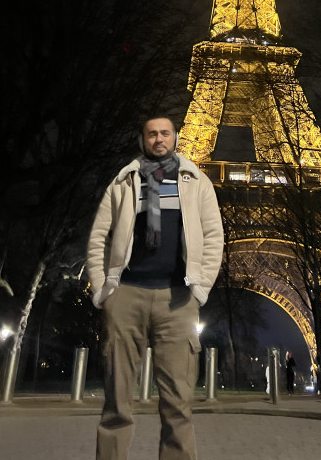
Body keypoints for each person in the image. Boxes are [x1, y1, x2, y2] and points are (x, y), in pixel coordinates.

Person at [87, 115, 224, 460]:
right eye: (152, 134)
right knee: (116, 400)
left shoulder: (196, 181)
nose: (159, 139)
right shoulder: (124, 181)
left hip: (177, 298)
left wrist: (200, 288)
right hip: (126, 295)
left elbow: (213, 237)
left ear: (175, 137)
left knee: (178, 402)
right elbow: (99, 235)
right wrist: (103, 288)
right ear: (143, 139)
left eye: (165, 133)